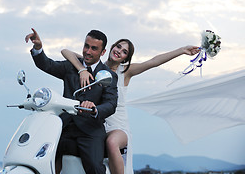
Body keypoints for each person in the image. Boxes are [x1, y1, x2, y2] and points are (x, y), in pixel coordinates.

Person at [62, 39, 200, 174]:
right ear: (111, 47)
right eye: (118, 47)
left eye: (124, 52)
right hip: (97, 125)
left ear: (125, 59)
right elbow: (66, 52)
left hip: (118, 127)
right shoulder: (95, 67)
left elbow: (153, 62)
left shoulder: (125, 72)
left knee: (111, 142)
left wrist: (182, 50)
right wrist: (81, 70)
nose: (119, 51)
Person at [25, 28, 118, 174]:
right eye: (86, 46)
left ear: (103, 52)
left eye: (94, 48)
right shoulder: (71, 66)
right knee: (38, 158)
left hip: (90, 130)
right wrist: (38, 48)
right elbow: (47, 65)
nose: (88, 51)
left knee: (95, 167)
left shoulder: (107, 75)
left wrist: (95, 108)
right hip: (63, 126)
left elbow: (111, 104)